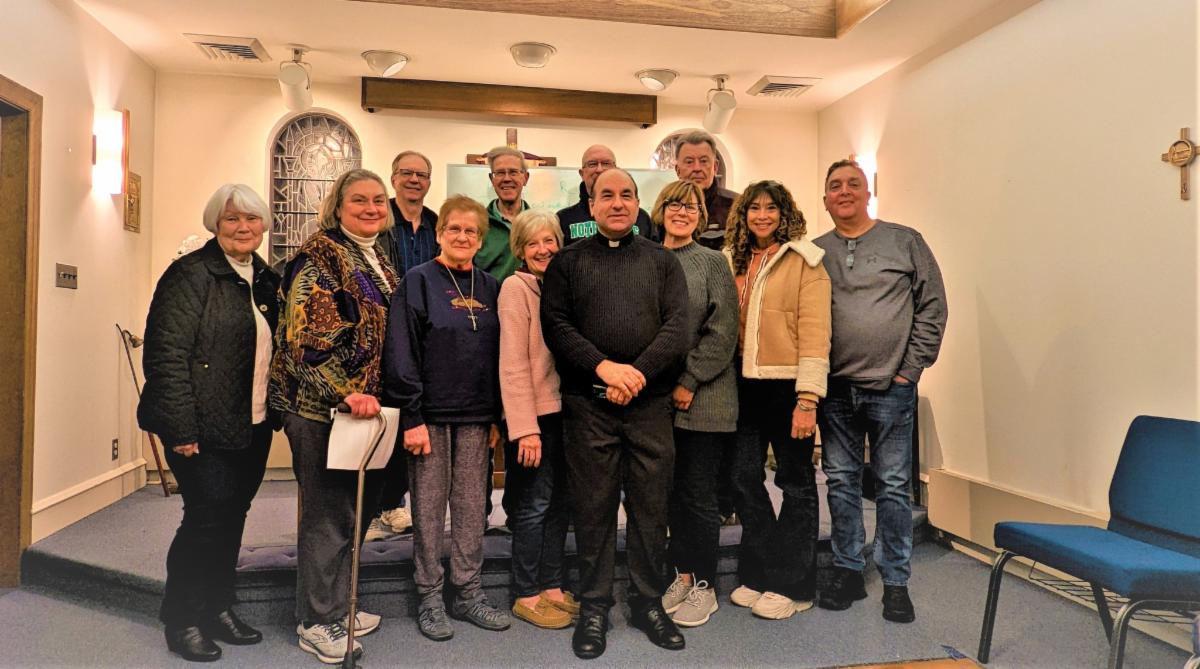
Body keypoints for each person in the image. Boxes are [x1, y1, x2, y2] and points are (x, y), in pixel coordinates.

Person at [541, 168, 689, 659]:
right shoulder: (567, 262)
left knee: (651, 508)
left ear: (638, 203)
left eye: (627, 194)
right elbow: (556, 325)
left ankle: (648, 602)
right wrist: (604, 368)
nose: (618, 203)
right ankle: (594, 605)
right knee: (593, 508)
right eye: (607, 195)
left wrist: (636, 374)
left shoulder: (662, 261)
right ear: (591, 204)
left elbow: (677, 327)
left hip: (649, 406)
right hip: (589, 406)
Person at [139, 184, 279, 662]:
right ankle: (182, 618)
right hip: (200, 427)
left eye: (251, 219)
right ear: (215, 225)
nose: (243, 227)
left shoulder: (265, 277)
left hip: (252, 422)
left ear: (264, 225)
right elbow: (166, 356)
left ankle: (218, 606)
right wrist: (180, 429)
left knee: (233, 516)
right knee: (204, 519)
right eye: (231, 219)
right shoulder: (190, 274)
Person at [270, 168, 398, 664]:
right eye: (359, 200)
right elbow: (304, 343)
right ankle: (316, 621)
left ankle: (338, 605)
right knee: (327, 517)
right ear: (337, 207)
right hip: (320, 410)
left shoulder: (375, 256)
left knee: (354, 513)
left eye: (378, 201)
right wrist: (346, 393)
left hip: (364, 412)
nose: (371, 208)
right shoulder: (318, 257)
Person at [813, 159, 947, 623]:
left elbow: (933, 307)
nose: (844, 191)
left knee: (892, 485)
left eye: (853, 183)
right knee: (841, 481)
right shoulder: (815, 252)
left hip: (892, 389)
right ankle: (849, 568)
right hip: (835, 390)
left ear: (867, 192)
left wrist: (910, 370)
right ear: (825, 199)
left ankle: (895, 580)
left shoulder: (904, 241)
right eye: (835, 186)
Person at [383, 195, 511, 641]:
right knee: (429, 510)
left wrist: (497, 416)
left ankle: (468, 591)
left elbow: (501, 356)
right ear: (440, 234)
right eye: (454, 228)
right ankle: (430, 595)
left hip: (477, 416)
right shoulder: (417, 281)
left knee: (474, 509)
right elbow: (401, 352)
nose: (462, 236)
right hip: (430, 417)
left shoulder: (491, 287)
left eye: (471, 230)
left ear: (481, 239)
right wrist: (411, 416)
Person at [723, 180, 831, 621]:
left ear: (785, 214)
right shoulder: (731, 260)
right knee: (742, 478)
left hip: (787, 387)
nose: (762, 215)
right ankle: (763, 570)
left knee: (796, 483)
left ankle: (795, 584)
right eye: (754, 208)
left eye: (771, 208)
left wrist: (807, 399)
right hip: (740, 385)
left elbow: (816, 334)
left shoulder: (806, 262)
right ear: (743, 214)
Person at [650, 180, 739, 628]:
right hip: (657, 400)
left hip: (704, 397)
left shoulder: (712, 262)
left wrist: (689, 380)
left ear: (702, 215)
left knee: (699, 496)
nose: (682, 212)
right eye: (674, 204)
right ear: (660, 209)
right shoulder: (647, 259)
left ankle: (705, 584)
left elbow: (723, 331)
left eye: (691, 206)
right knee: (669, 495)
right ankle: (681, 575)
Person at [498, 209, 578, 630]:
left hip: (567, 414)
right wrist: (525, 429)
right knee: (534, 506)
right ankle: (526, 593)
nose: (543, 249)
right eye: (533, 243)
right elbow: (512, 364)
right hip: (535, 418)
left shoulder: (561, 286)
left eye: (549, 241)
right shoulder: (516, 288)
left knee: (560, 503)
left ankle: (552, 586)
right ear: (520, 250)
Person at [368, 149, 438, 542]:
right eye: (406, 173)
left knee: (412, 421)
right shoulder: (379, 221)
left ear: (429, 182)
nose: (414, 180)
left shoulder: (435, 225)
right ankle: (376, 508)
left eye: (421, 174)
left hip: (424, 338)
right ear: (393, 177)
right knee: (384, 423)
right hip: (382, 333)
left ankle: (396, 504)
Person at [556, 144, 657, 244]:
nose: (599, 169)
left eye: (606, 163)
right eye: (592, 164)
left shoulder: (642, 218)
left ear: (616, 168)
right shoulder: (563, 219)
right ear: (582, 173)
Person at [674, 130, 739, 251]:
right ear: (677, 170)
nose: (697, 168)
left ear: (715, 167)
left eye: (703, 161)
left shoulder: (736, 206)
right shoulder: (668, 209)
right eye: (689, 162)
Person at [476, 146, 531, 281]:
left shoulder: (538, 225)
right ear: (491, 179)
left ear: (525, 178)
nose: (506, 179)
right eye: (500, 173)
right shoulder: (476, 224)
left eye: (513, 172)